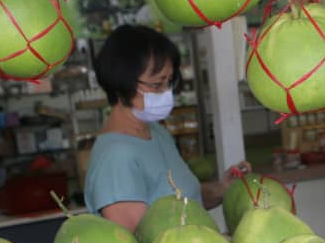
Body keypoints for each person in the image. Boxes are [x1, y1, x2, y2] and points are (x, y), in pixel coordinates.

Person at [85, 24, 246, 232]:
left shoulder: (157, 133)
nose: (166, 93)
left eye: (169, 82)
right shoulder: (115, 158)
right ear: (121, 83)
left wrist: (223, 189)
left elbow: (183, 202)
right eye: (156, 84)